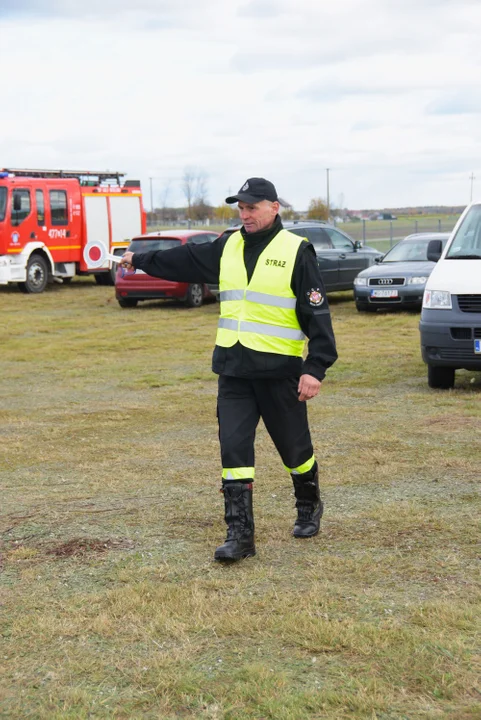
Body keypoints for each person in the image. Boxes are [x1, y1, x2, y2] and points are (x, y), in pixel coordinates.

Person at [120, 177, 338, 562]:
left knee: (295, 450)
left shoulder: (296, 251)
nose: (245, 214)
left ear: (274, 207)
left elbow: (316, 314)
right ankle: (240, 537)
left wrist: (315, 368)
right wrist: (140, 259)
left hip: (279, 371)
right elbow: (185, 260)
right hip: (234, 370)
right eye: (241, 207)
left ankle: (308, 503)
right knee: (233, 450)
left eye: (252, 207)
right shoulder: (228, 244)